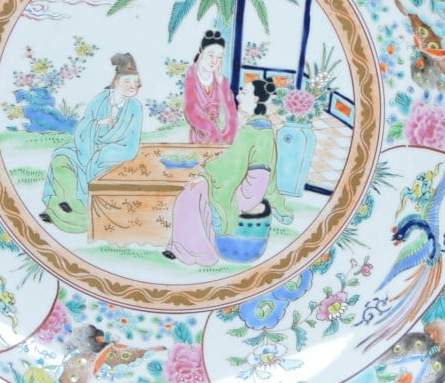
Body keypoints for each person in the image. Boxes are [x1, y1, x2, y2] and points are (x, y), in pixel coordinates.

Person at [165, 78, 292, 265]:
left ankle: (196, 252)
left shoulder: (252, 130)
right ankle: (188, 247)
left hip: (247, 189)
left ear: (256, 100)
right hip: (253, 186)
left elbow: (232, 165)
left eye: (244, 93)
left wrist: (204, 176)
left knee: (190, 193)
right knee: (199, 191)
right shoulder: (263, 127)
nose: (238, 96)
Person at [41, 52, 143, 233]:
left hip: (110, 157)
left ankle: (72, 214)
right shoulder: (100, 100)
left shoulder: (135, 108)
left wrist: (103, 154)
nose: (132, 86)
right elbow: (83, 128)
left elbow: (131, 144)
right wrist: (98, 124)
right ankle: (65, 203)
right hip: (87, 148)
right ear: (117, 82)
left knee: (93, 174)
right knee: (61, 159)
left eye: (136, 82)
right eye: (127, 81)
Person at [183, 29, 238, 145]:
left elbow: (231, 114)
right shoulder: (191, 74)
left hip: (221, 139)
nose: (214, 61)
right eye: (211, 55)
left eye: (219, 57)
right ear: (201, 53)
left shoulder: (222, 81)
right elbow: (191, 110)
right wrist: (212, 131)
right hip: (199, 137)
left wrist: (227, 137)